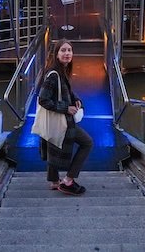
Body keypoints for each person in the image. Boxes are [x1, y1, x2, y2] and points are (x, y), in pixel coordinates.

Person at [38, 40, 93, 195]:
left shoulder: (61, 71)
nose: (67, 53)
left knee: (53, 144)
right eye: (63, 50)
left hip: (56, 120)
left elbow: (64, 92)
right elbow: (43, 99)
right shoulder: (54, 75)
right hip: (62, 120)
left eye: (69, 50)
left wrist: (77, 100)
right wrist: (65, 108)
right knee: (87, 143)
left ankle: (55, 181)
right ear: (56, 54)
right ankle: (68, 181)